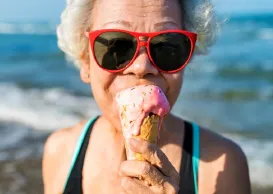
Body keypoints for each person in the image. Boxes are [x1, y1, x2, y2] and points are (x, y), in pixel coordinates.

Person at [43, 0, 251, 193]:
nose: (142, 67)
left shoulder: (223, 165)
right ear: (85, 59)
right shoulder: (61, 151)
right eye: (117, 45)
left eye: (166, 46)